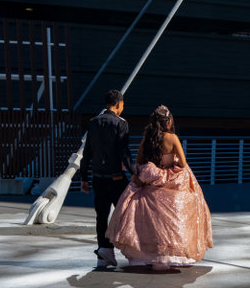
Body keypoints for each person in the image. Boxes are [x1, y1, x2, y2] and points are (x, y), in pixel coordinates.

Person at [106, 105, 213, 270]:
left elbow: (139, 160)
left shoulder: (147, 137)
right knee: (182, 209)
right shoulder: (172, 138)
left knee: (143, 218)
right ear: (168, 121)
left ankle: (145, 256)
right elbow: (183, 163)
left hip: (149, 180)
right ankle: (169, 255)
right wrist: (172, 161)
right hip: (170, 181)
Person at [80, 89, 137, 268]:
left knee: (101, 216)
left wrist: (84, 178)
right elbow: (124, 152)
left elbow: (87, 152)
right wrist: (134, 171)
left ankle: (104, 252)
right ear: (119, 104)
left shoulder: (93, 122)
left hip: (98, 179)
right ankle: (134, 252)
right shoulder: (121, 123)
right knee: (129, 212)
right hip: (116, 179)